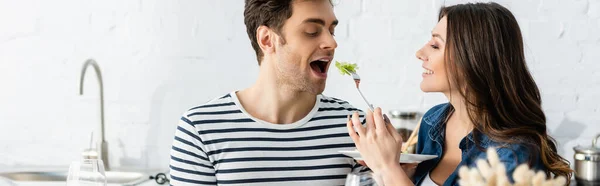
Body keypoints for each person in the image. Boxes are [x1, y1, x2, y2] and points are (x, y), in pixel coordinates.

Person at [347, 2, 573, 186]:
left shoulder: (512, 155)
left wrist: (387, 168)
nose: (419, 53)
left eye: (435, 46)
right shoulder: (433, 121)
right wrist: (401, 174)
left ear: (473, 59)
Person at [168, 0, 368, 185]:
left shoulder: (357, 128)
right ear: (267, 40)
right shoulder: (200, 129)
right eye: (312, 31)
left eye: (331, 31)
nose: (332, 43)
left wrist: (395, 168)